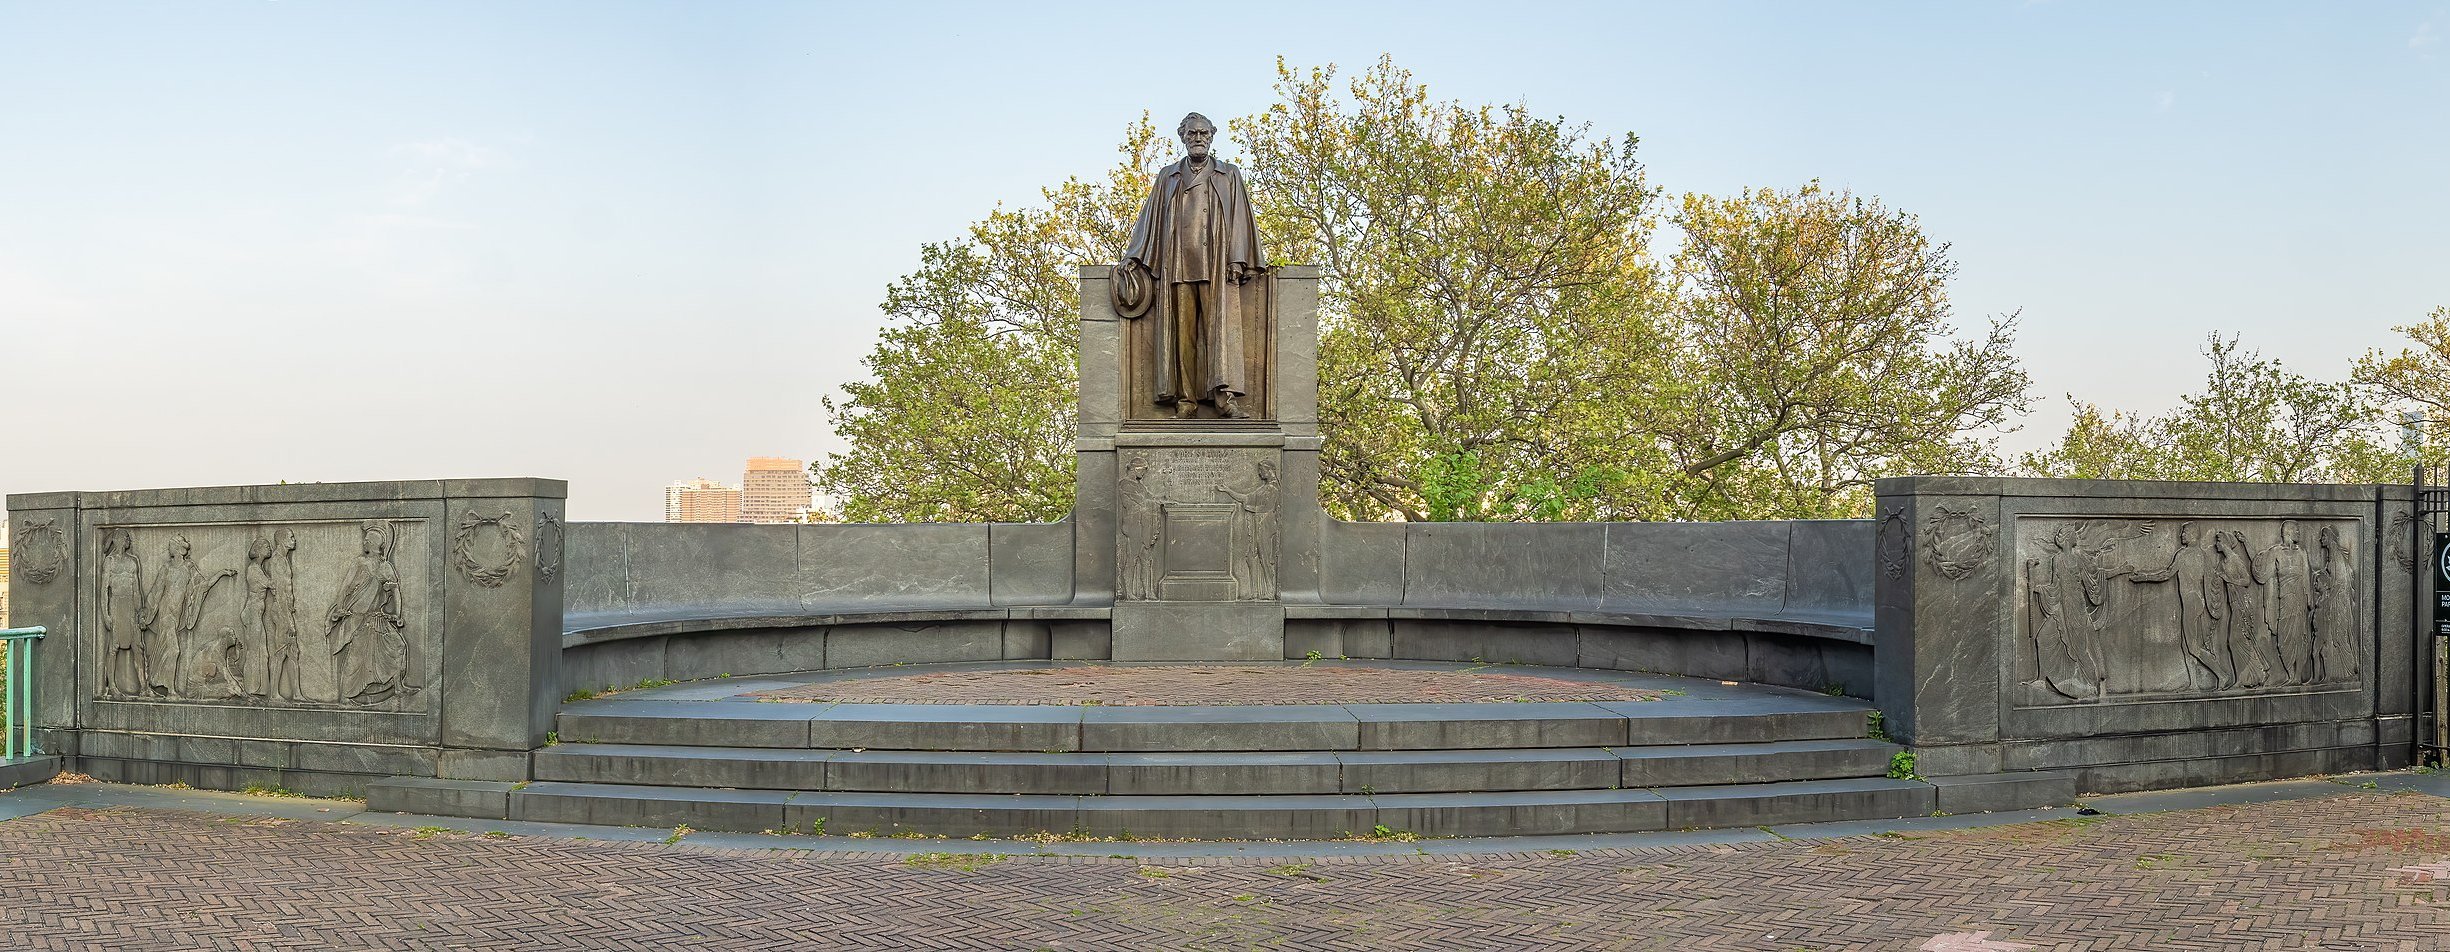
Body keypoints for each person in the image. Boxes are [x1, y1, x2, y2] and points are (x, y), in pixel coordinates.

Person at [1113, 112, 1268, 419]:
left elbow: (1239, 219)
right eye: (1192, 133)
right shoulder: (1168, 176)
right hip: (1179, 265)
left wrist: (1236, 259)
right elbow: (1149, 220)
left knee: (1218, 334)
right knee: (1183, 337)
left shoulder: (1228, 174)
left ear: (1212, 136)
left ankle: (1224, 399)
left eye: (1203, 133)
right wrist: (1134, 255)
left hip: (1216, 264)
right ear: (1182, 137)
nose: (1198, 138)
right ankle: (1186, 400)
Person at [329, 521, 409, 704]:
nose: (364, 543)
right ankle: (345, 697)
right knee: (356, 658)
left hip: (376, 617)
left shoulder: (385, 567)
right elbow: (345, 587)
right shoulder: (359, 563)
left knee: (398, 646)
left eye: (367, 541)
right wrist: (340, 609)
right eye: (365, 540)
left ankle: (398, 686)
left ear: (375, 544)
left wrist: (398, 615)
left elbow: (395, 590)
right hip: (358, 618)